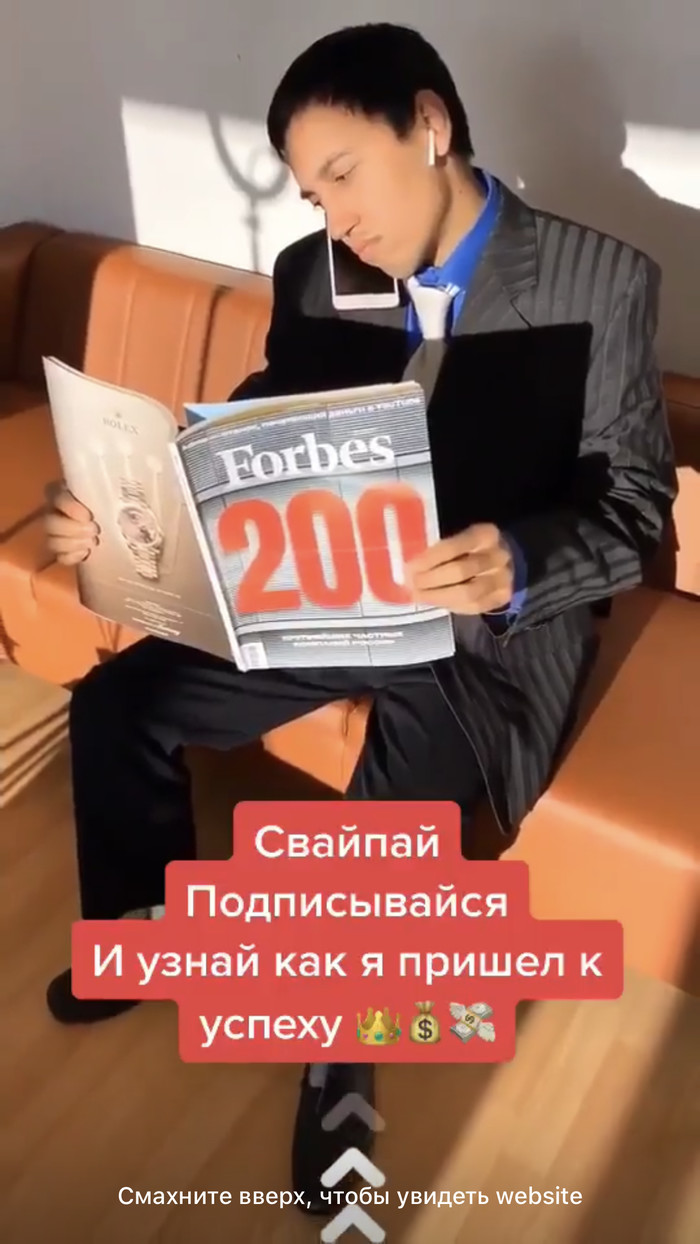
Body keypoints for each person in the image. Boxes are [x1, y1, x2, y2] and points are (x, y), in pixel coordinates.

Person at [42, 22, 677, 1215]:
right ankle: (138, 928)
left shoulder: (599, 277)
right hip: (321, 591)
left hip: (483, 631)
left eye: (343, 174)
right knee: (118, 702)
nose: (334, 217)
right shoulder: (316, 272)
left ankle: (336, 1074)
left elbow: (632, 506)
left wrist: (515, 562)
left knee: (377, 831)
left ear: (427, 126)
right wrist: (141, 502)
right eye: (309, 192)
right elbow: (272, 413)